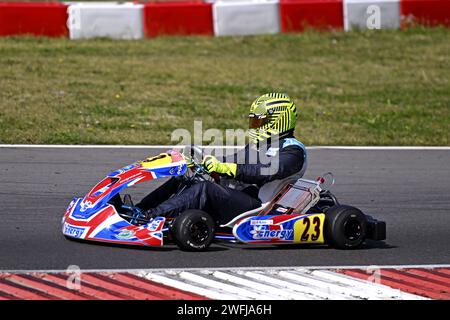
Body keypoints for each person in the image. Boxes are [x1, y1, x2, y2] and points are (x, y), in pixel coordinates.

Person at [135, 93, 307, 225]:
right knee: (185, 179)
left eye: (259, 122)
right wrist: (202, 159)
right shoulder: (260, 144)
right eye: (253, 122)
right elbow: (233, 160)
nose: (254, 126)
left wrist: (226, 168)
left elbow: (265, 171)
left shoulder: (293, 151)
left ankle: (149, 218)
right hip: (242, 195)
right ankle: (140, 210)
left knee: (205, 189)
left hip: (259, 208)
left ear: (278, 121)